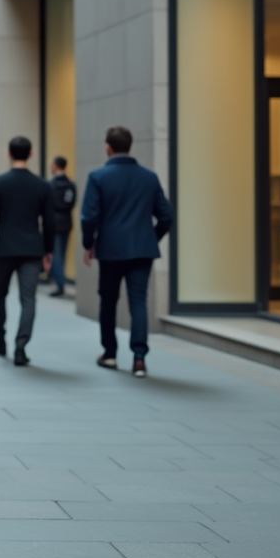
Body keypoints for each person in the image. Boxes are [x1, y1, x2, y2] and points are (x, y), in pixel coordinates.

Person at [80, 126, 173, 379]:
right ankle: (139, 358)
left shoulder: (98, 177)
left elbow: (89, 217)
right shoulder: (149, 177)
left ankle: (109, 354)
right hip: (142, 250)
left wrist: (89, 243)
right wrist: (151, 238)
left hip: (110, 249)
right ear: (129, 146)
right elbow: (166, 216)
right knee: (138, 301)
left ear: (108, 147)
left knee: (108, 302)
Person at [0, 137, 54, 366]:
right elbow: (49, 222)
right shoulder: (42, 185)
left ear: (9, 153)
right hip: (32, 250)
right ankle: (21, 347)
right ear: (31, 153)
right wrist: (49, 251)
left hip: (5, 249)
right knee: (28, 299)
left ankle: (0, 341)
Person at [48, 156, 76, 297]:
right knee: (61, 254)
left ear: (56, 166)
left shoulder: (51, 184)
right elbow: (71, 203)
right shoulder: (70, 184)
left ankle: (59, 285)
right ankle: (59, 282)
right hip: (66, 222)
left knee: (56, 255)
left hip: (53, 223)